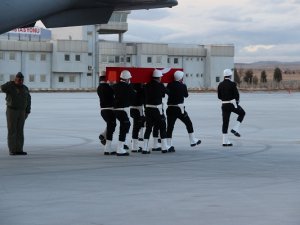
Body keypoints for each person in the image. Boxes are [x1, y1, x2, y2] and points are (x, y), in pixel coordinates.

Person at [142, 69, 174, 154]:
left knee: (148, 128)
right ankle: (164, 147)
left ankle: (145, 148)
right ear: (159, 77)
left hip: (148, 109)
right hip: (157, 109)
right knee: (162, 126)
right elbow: (168, 92)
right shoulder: (160, 85)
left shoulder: (147, 85)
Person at [166, 70, 201, 147]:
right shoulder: (183, 86)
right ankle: (192, 140)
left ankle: (168, 144)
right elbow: (186, 95)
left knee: (170, 126)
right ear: (181, 78)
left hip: (170, 108)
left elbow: (167, 92)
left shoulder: (169, 84)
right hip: (179, 109)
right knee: (188, 123)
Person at [1, 72, 31, 155]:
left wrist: (27, 111)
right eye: (18, 79)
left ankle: (19, 149)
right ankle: (12, 149)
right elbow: (2, 88)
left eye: (21, 79)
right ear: (15, 79)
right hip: (12, 111)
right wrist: (11, 82)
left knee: (20, 131)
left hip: (22, 111)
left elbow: (28, 100)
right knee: (12, 130)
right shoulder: (10, 86)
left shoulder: (25, 88)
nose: (20, 81)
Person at [218, 69, 246, 146]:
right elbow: (237, 95)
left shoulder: (220, 84)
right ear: (230, 75)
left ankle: (224, 141)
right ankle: (235, 128)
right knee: (242, 113)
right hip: (232, 104)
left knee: (225, 122)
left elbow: (219, 96)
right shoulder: (233, 84)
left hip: (224, 105)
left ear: (224, 75)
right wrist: (236, 103)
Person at [113, 70, 136, 156]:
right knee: (124, 127)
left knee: (126, 125)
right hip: (123, 110)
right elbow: (134, 97)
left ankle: (123, 144)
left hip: (115, 110)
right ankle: (120, 148)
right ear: (127, 79)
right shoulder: (128, 87)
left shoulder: (114, 86)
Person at [97, 73, 116, 155]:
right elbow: (115, 93)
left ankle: (103, 135)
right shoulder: (108, 87)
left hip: (103, 110)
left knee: (111, 125)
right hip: (109, 110)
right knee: (111, 127)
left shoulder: (99, 87)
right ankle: (108, 148)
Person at [130, 83, 145, 153]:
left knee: (136, 126)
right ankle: (135, 146)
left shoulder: (130, 86)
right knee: (136, 127)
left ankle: (134, 141)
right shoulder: (141, 89)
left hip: (131, 108)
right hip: (138, 109)